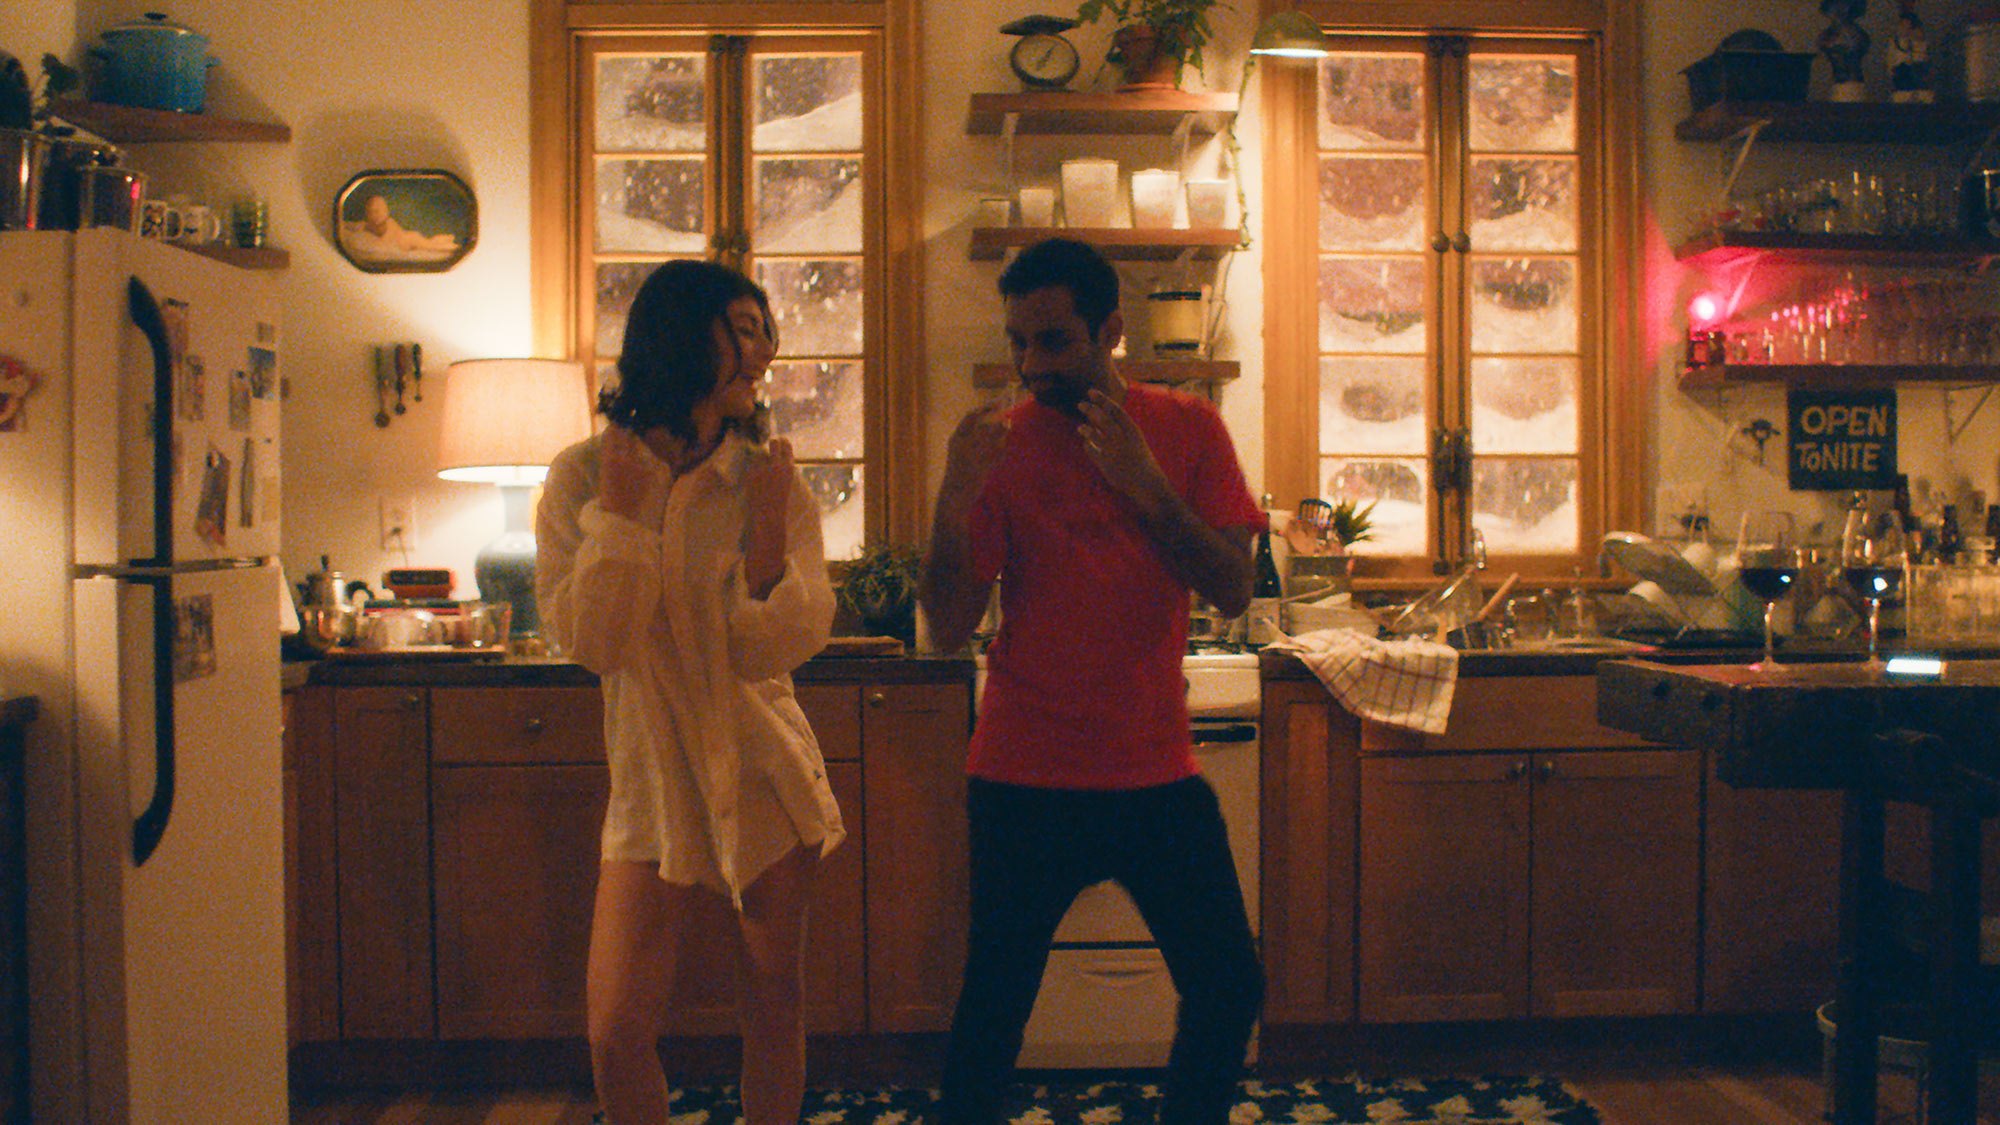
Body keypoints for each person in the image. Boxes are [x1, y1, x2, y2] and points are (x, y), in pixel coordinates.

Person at [920, 237, 1265, 1125]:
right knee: (994, 1010)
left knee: (1230, 984)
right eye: (1018, 341)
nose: (1032, 365)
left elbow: (1233, 587)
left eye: (1054, 341)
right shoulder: (1002, 446)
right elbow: (947, 626)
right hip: (1022, 777)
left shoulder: (1188, 429)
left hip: (1154, 774)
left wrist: (1145, 485)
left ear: (1111, 330)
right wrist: (951, 502)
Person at [536, 259, 842, 1125]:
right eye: (742, 331)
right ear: (679, 338)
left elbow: (769, 650)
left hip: (763, 770)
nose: (764, 351)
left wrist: (769, 541)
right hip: (651, 783)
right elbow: (597, 644)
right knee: (615, 1029)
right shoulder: (582, 477)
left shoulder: (766, 481)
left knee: (774, 1006)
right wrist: (623, 515)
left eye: (765, 331)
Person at [341, 193, 460, 260]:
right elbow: (347, 225)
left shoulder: (390, 223)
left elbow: (386, 242)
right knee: (428, 243)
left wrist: (380, 243)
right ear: (367, 213)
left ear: (386, 212)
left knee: (429, 245)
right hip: (408, 242)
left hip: (409, 239)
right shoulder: (363, 226)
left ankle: (448, 245)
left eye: (379, 211)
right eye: (371, 211)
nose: (375, 215)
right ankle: (441, 240)